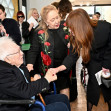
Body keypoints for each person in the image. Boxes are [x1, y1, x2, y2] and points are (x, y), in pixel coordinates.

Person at [51, 9, 111, 111]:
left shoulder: (104, 28)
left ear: (79, 26)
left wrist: (106, 65)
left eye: (71, 28)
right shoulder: (75, 36)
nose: (69, 31)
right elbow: (72, 56)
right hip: (93, 61)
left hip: (107, 59)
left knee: (108, 89)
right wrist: (58, 69)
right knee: (92, 90)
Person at [0, 37, 71, 111]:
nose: (22, 53)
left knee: (63, 98)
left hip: (31, 99)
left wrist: (36, 75)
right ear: (7, 58)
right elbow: (24, 91)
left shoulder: (17, 63)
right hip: (22, 106)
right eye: (18, 52)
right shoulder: (2, 73)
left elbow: (28, 74)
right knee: (60, 107)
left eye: (20, 50)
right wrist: (46, 80)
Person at [26, 5, 71, 99]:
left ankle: (65, 106)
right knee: (47, 91)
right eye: (52, 20)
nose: (56, 21)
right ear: (46, 21)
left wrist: (71, 42)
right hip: (46, 67)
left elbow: (74, 41)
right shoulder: (39, 32)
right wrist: (30, 64)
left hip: (62, 66)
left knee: (64, 86)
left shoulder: (65, 27)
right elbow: (33, 50)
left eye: (57, 17)